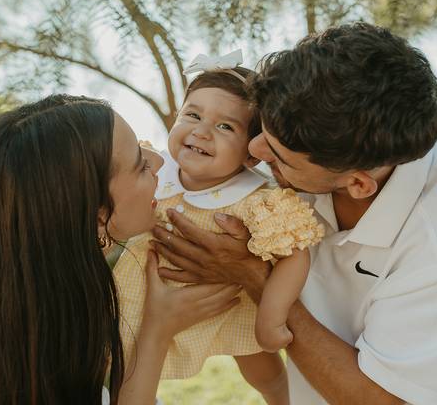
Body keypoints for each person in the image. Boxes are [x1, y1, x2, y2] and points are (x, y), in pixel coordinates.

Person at [150, 23, 437, 404]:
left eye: (279, 155)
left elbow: (382, 400)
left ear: (357, 184)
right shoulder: (313, 159)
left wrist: (257, 280)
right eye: (261, 130)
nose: (254, 151)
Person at [0, 94, 242, 405]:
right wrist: (156, 333)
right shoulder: (45, 354)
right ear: (97, 215)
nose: (159, 162)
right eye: (140, 164)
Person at [113, 60, 324, 405]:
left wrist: (270, 317)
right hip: (144, 295)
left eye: (225, 126)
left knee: (260, 367)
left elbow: (295, 253)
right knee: (124, 358)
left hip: (229, 302)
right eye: (192, 115)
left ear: (252, 155)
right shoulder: (152, 169)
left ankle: (281, 398)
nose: (201, 131)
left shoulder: (257, 200)